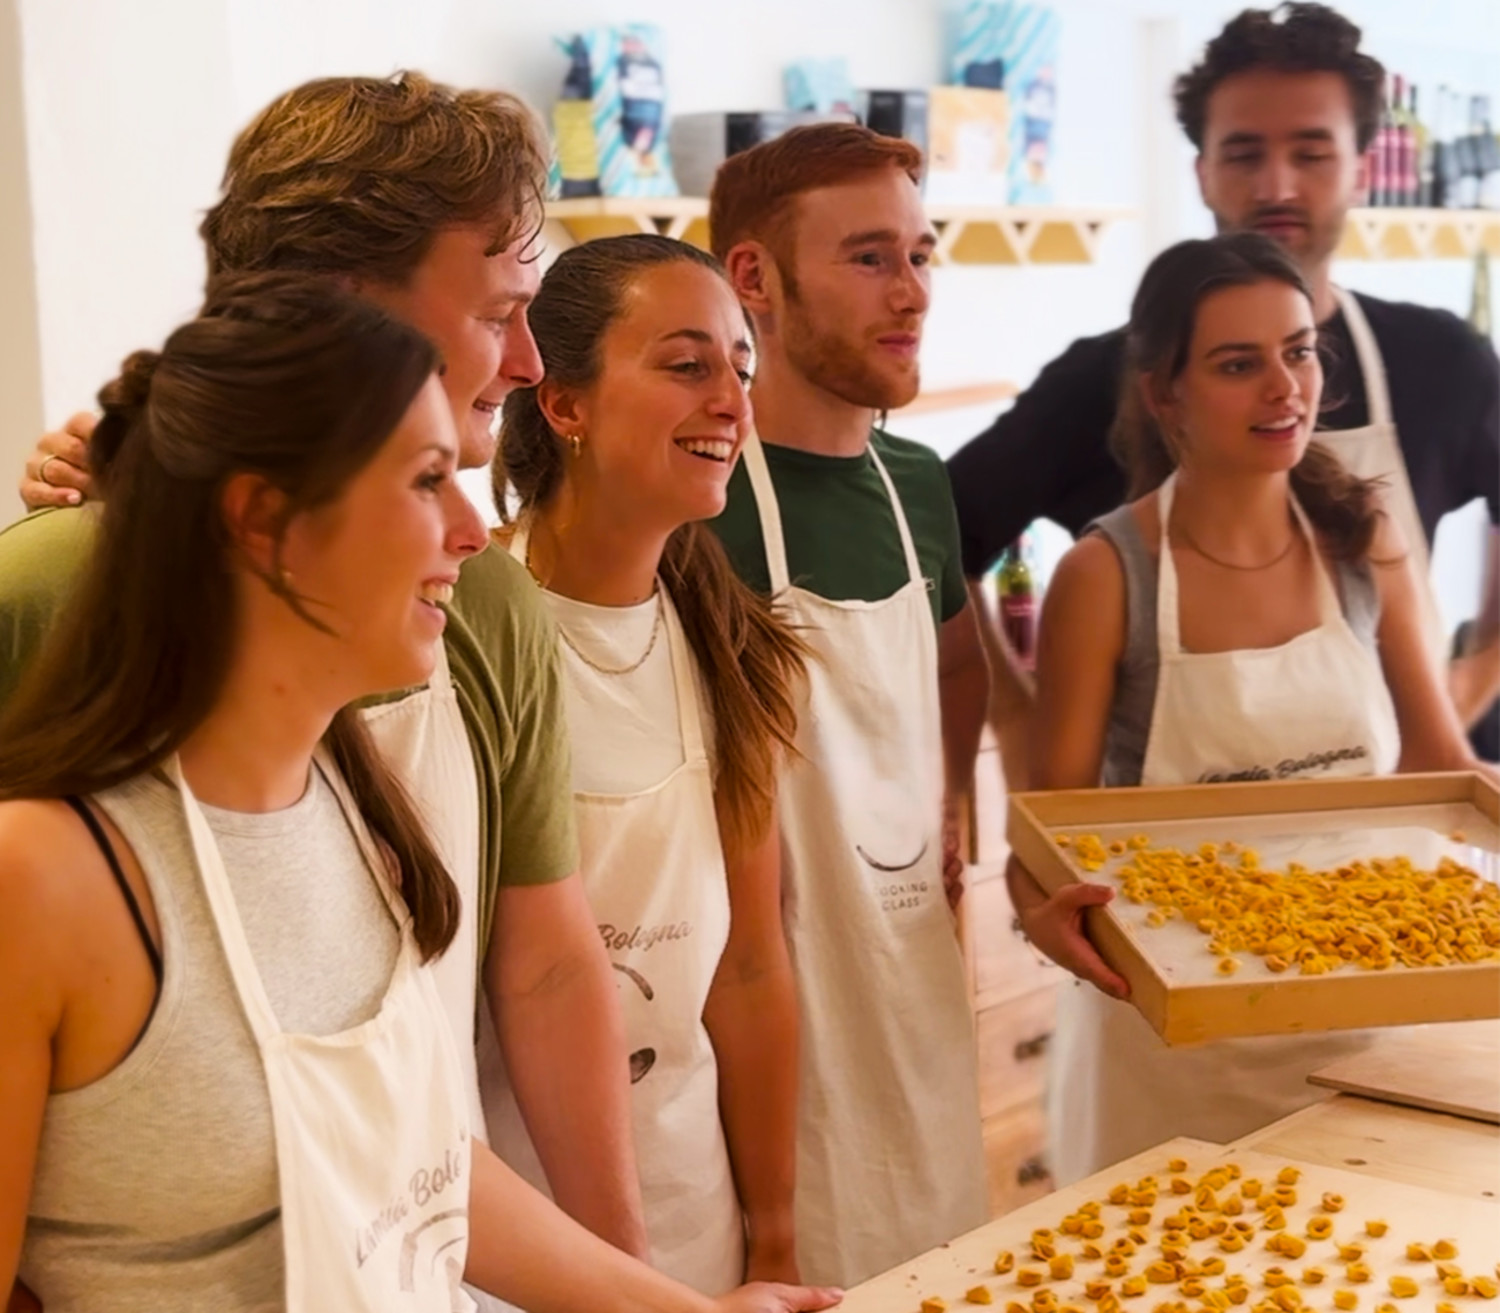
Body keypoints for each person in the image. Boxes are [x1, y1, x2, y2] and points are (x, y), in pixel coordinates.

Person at [0, 274, 842, 1313]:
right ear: (266, 521)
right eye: (425, 480)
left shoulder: (356, 807)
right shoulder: (40, 878)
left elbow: (418, 1158)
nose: (471, 528)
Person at [1, 73, 651, 1287]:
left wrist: (637, 1280)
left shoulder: (476, 620)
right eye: (502, 307)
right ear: (348, 309)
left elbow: (513, 1012)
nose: (524, 358)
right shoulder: (42, 595)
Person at [1012, 232, 1498, 1187]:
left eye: (1299, 350)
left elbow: (1441, 768)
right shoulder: (1108, 576)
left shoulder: (1364, 538)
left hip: (1374, 997)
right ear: (1164, 394)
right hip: (1181, 1035)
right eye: (1239, 365)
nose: (1285, 387)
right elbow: (1049, 837)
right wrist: (1045, 917)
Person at [946, 1, 1500, 787]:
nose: (1277, 184)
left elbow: (1444, 755)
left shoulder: (1443, 362)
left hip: (1383, 851)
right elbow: (942, 533)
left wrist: (1469, 684)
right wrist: (1011, 709)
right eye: (1244, 154)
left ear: (1363, 170)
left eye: (1311, 153)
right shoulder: (1096, 389)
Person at [482, 233, 809, 1292]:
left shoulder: (729, 643)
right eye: (685, 365)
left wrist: (772, 1232)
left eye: (740, 368)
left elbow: (750, 971)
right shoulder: (466, 626)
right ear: (562, 403)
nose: (732, 401)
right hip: (512, 1226)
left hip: (690, 1205)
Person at [706, 124, 990, 1288]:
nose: (914, 290)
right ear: (755, 280)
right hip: (763, 1010)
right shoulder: (700, 499)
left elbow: (961, 659)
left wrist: (956, 796)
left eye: (923, 253)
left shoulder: (917, 483)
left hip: (909, 974)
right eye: (872, 258)